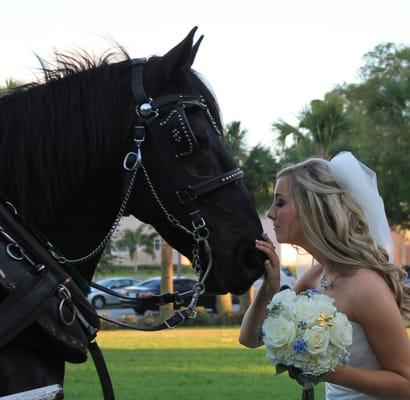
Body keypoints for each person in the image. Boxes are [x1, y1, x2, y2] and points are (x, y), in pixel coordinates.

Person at [239, 152, 410, 399]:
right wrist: (269, 287)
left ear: (311, 208)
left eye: (280, 202)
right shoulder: (315, 277)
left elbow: (406, 382)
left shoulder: (365, 286)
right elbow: (250, 339)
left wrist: (327, 371)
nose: (271, 213)